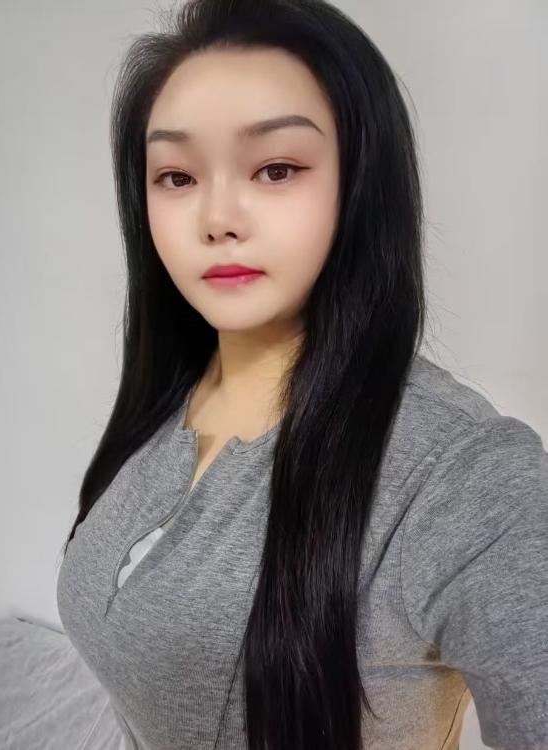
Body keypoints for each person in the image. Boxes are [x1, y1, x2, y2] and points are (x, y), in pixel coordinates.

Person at [55, 1, 548, 749]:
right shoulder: (166, 398)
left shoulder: (463, 474)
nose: (217, 217)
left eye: (276, 168)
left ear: (359, 184)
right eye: (177, 176)